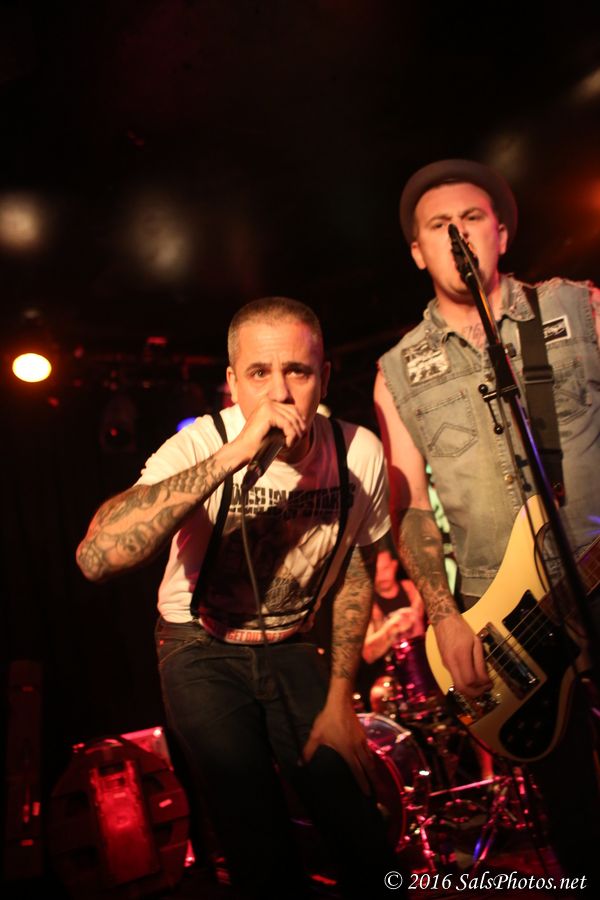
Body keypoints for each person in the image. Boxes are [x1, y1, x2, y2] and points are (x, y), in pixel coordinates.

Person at [77, 296, 400, 900]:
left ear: (325, 377)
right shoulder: (202, 444)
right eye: (259, 373)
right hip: (200, 646)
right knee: (257, 836)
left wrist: (340, 698)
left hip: (294, 644)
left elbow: (358, 565)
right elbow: (96, 559)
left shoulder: (358, 453)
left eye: (297, 371)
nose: (279, 392)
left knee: (360, 827)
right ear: (232, 382)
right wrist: (233, 455)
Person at [374, 159, 600, 886]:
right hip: (507, 612)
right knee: (577, 815)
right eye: (439, 226)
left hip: (592, 563)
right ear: (418, 251)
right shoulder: (397, 372)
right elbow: (411, 505)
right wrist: (443, 616)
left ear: (500, 233)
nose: (457, 234)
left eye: (471, 218)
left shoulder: (580, 310)